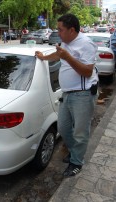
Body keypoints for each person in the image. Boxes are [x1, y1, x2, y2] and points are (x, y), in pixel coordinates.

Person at [35, 14, 98, 177]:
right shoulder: (66, 41)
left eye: (61, 29)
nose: (58, 32)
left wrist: (67, 57)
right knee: (63, 128)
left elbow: (87, 72)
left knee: (80, 131)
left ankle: (77, 162)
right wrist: (43, 57)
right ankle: (74, 151)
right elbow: (58, 55)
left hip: (82, 95)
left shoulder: (86, 44)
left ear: (72, 30)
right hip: (67, 93)